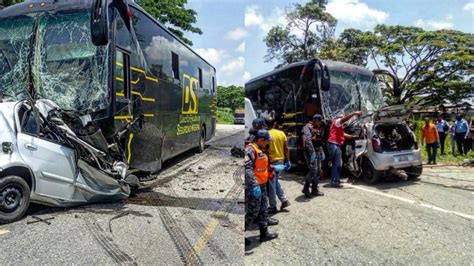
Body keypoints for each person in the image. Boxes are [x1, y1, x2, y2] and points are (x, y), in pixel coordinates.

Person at [245, 129, 278, 245]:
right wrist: (254, 185)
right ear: (260, 140)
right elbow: (247, 169)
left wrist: (272, 168)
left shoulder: (261, 149)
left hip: (262, 185)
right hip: (254, 187)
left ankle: (264, 234)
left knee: (263, 210)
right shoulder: (250, 150)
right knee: (253, 212)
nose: (268, 143)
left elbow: (261, 166)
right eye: (267, 141)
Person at [327, 111, 362, 188]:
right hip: (334, 144)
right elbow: (344, 119)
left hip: (335, 145)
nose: (343, 118)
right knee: (337, 164)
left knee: (338, 164)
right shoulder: (337, 121)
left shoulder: (338, 126)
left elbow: (344, 135)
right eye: (342, 117)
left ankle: (336, 179)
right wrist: (354, 113)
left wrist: (353, 137)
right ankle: (334, 181)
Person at [265, 118, 291, 213]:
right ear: (275, 123)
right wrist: (288, 160)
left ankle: (273, 206)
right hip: (281, 161)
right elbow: (286, 148)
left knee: (271, 185)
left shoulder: (265, 134)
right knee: (275, 181)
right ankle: (284, 200)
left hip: (271, 162)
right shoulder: (281, 133)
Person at [301, 114, 326, 197]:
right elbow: (307, 141)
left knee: (318, 171)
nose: (320, 123)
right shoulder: (307, 127)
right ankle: (306, 187)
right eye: (319, 121)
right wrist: (312, 153)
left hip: (318, 150)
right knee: (313, 171)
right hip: (310, 152)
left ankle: (314, 190)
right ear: (315, 120)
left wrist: (321, 150)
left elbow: (320, 140)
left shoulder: (318, 128)